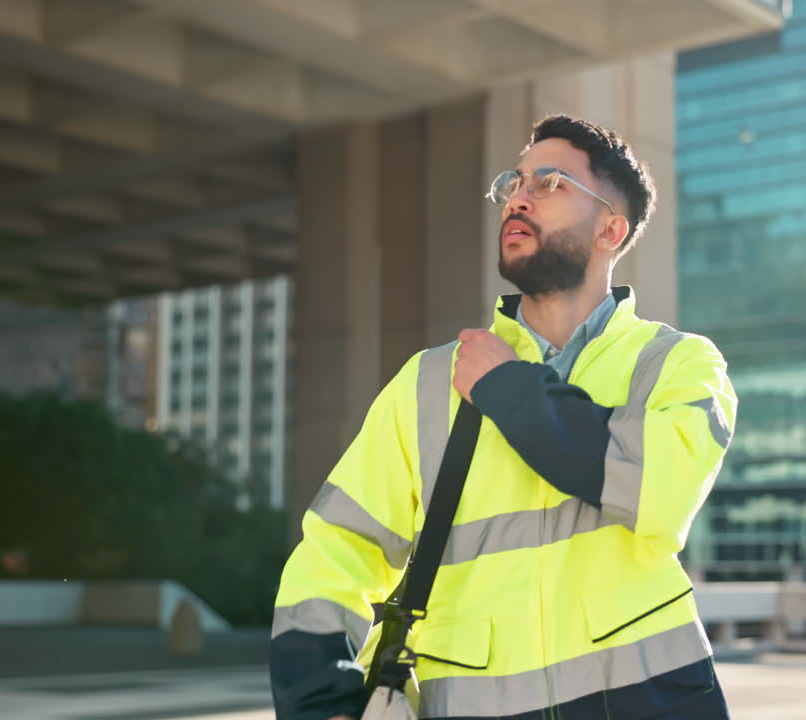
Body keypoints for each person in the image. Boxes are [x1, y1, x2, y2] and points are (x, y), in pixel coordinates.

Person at [270, 114, 738, 720]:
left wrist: (507, 386)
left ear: (611, 229)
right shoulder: (429, 382)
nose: (518, 197)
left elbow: (657, 491)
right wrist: (321, 703)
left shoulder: (675, 362)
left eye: (550, 183)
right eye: (514, 183)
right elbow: (334, 554)